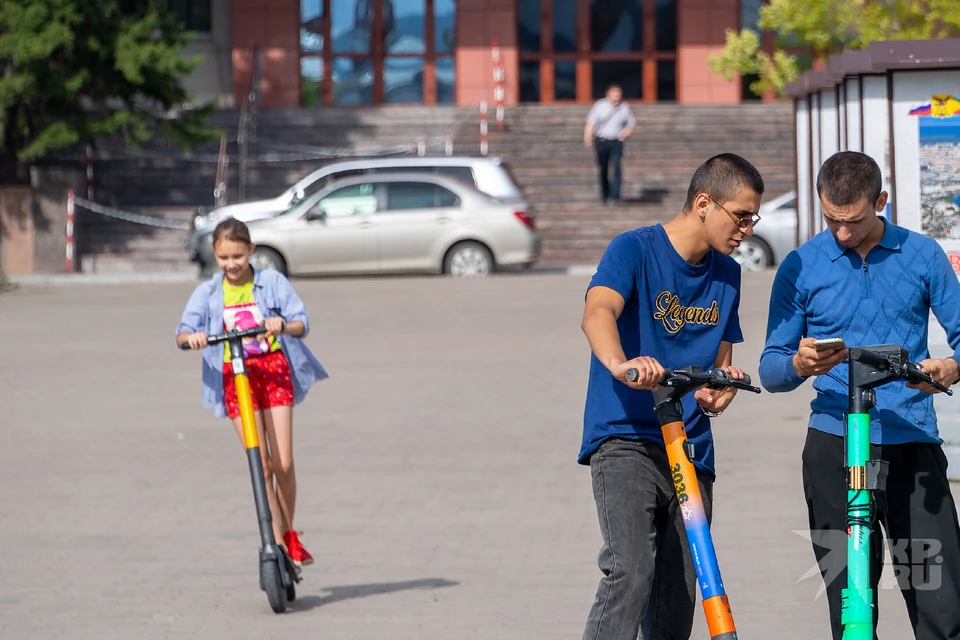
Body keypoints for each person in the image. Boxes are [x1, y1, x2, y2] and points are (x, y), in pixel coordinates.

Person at [759, 150, 960, 639]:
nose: (842, 233)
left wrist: (950, 368)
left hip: (911, 443)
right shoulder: (800, 265)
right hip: (835, 448)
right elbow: (770, 369)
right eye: (832, 219)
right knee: (852, 608)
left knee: (942, 606)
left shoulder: (922, 253)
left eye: (853, 220)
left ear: (882, 201)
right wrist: (798, 364)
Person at [579, 153, 764, 640]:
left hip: (690, 447)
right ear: (704, 203)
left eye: (753, 218)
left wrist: (719, 389)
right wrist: (622, 364)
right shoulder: (634, 250)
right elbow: (597, 311)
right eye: (741, 215)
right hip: (627, 440)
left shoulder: (728, 274)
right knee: (630, 572)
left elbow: (719, 362)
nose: (747, 228)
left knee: (682, 589)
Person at [176, 218, 328, 567]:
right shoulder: (209, 292)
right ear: (215, 254)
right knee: (260, 464)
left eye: (238, 256)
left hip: (273, 372)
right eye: (224, 257)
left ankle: (290, 533)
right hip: (236, 378)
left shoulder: (271, 282)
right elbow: (182, 332)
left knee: (283, 463)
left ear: (251, 251)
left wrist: (282, 324)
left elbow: (300, 322)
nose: (231, 265)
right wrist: (193, 338)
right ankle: (275, 542)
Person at [584, 84, 636, 206]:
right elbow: (590, 122)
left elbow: (631, 124)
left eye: (618, 95)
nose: (616, 97)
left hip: (616, 142)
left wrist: (625, 133)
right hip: (602, 141)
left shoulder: (624, 107)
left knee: (616, 168)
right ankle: (605, 195)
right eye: (614, 94)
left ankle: (615, 197)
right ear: (608, 95)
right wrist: (587, 136)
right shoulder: (600, 106)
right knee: (603, 168)